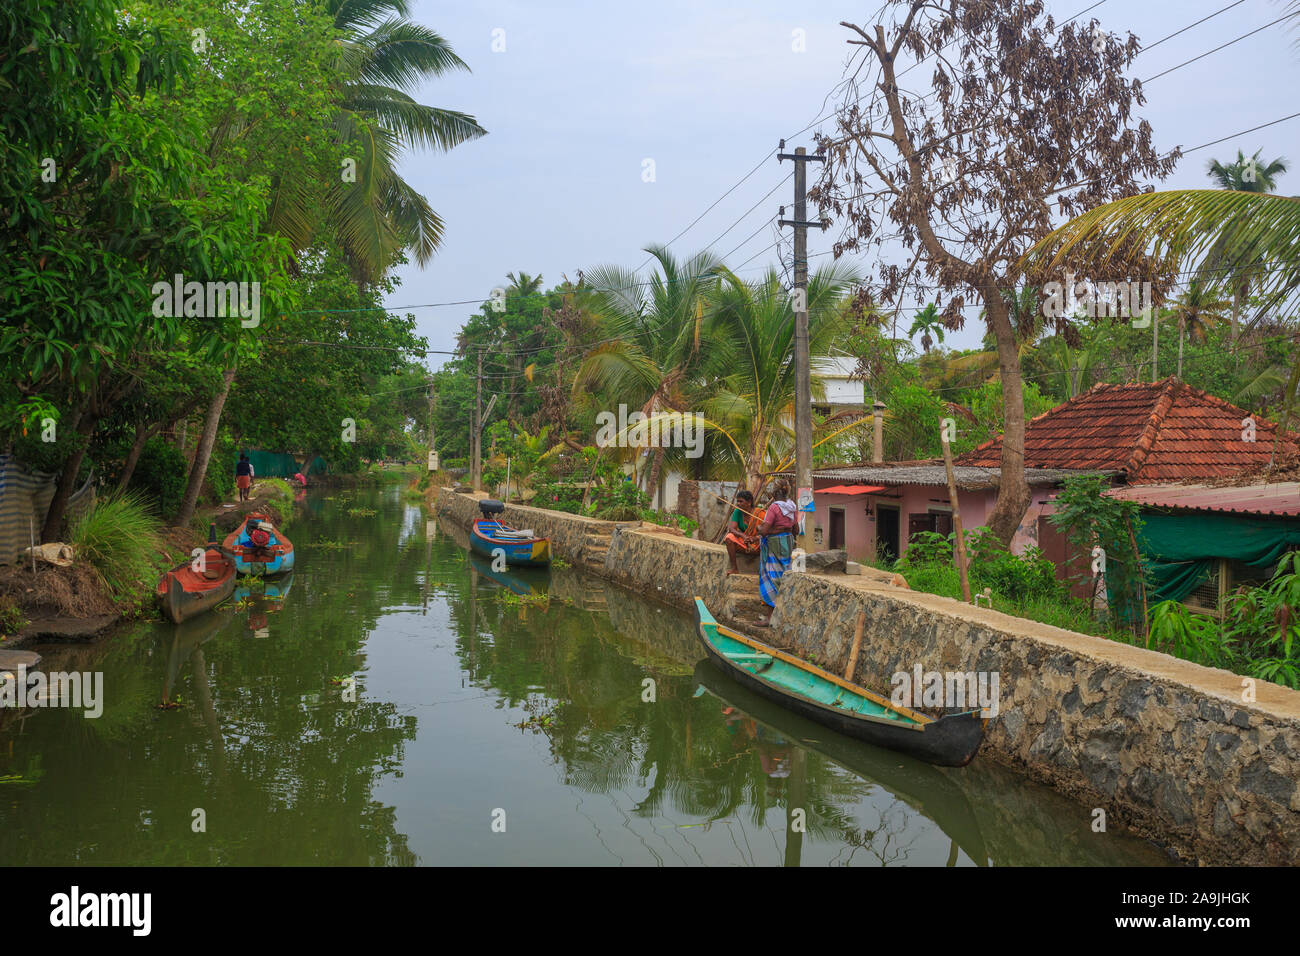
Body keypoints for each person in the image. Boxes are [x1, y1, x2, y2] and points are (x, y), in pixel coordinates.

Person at [754, 480, 797, 626]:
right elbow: (795, 529)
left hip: (774, 547)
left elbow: (764, 530)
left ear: (774, 493)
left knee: (770, 576)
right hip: (788, 543)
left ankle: (770, 617)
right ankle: (781, 614)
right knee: (783, 575)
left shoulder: (774, 507)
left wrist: (760, 529)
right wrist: (782, 530)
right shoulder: (792, 506)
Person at [723, 489, 760, 574]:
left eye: (741, 501)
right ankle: (734, 568)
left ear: (749, 502)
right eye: (737, 501)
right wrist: (743, 536)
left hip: (757, 544)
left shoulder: (759, 513)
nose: (738, 504)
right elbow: (732, 529)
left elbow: (765, 531)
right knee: (729, 537)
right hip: (745, 542)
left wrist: (753, 539)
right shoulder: (737, 512)